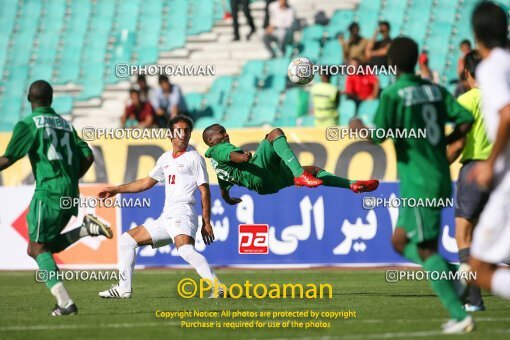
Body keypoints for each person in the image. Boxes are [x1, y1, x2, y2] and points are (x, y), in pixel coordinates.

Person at [349, 37, 475, 333]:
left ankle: (460, 314)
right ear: (416, 59)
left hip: (421, 181)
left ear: (391, 64)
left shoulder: (393, 94)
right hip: (434, 176)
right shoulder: (434, 89)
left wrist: (357, 129)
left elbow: (378, 136)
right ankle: (456, 275)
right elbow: (466, 119)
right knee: (399, 241)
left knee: (425, 249)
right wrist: (439, 143)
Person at [0, 80, 113, 316]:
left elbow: (8, 158)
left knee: (36, 248)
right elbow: (88, 156)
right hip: (71, 192)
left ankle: (65, 303)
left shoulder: (29, 123)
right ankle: (84, 230)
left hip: (49, 192)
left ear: (29, 98)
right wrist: (72, 177)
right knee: (43, 247)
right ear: (51, 99)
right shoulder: (66, 125)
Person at [98, 116, 222, 298]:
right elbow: (145, 183)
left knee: (185, 250)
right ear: (170, 134)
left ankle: (217, 287)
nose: (183, 135)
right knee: (126, 240)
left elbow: (205, 191)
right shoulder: (165, 158)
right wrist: (117, 189)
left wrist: (206, 222)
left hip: (183, 213)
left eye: (186, 130)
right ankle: (124, 289)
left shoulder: (194, 157)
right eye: (179, 130)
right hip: (166, 218)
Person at [202, 124, 379, 205]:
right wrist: (244, 157)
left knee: (314, 171)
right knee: (275, 133)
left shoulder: (218, 168)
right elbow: (234, 156)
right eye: (221, 133)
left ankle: (352, 184)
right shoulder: (218, 149)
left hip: (265, 186)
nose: (226, 135)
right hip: (257, 171)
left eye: (225, 132)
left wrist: (229, 200)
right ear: (211, 140)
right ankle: (299, 174)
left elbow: (224, 190)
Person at [467, 1, 510, 301]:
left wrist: (489, 163)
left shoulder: (491, 66)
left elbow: (507, 113)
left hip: (507, 179)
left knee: (476, 268)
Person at [447, 50, 492, 312]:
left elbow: (457, 144)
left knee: (464, 236)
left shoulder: (467, 99)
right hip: (503, 170)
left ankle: (474, 301)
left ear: (467, 73)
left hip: (475, 170)